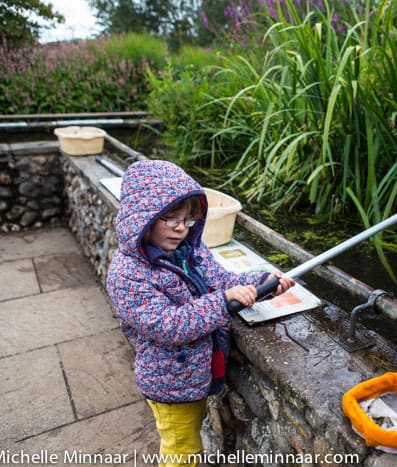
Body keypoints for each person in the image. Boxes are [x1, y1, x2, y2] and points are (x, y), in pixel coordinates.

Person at [106, 159, 294, 466]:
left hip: (193, 376)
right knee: (182, 450)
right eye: (171, 219)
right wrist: (222, 302)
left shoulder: (190, 250)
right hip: (169, 383)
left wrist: (263, 284)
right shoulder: (128, 274)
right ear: (143, 217)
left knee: (186, 439)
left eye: (188, 221)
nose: (181, 229)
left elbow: (224, 282)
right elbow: (168, 324)